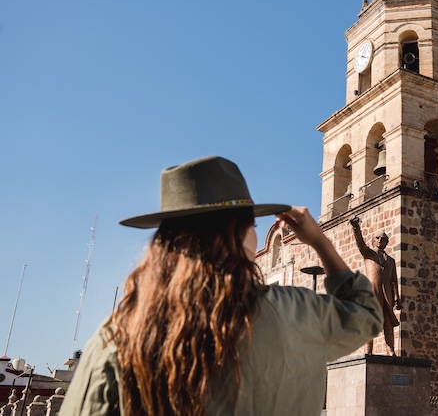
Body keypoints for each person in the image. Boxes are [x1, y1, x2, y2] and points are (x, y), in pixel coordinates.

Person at [62, 156, 381, 416]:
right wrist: (321, 242)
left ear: (165, 243)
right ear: (240, 234)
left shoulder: (119, 337)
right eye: (252, 226)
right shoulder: (299, 313)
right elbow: (366, 313)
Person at [349, 216, 401, 356]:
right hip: (373, 292)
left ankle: (390, 349)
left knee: (388, 323)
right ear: (373, 240)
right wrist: (356, 227)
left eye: (383, 239)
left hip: (387, 294)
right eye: (377, 238)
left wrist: (397, 297)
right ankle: (368, 350)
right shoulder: (368, 254)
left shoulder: (390, 261)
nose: (380, 240)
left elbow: (394, 280)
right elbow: (360, 242)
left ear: (386, 242)